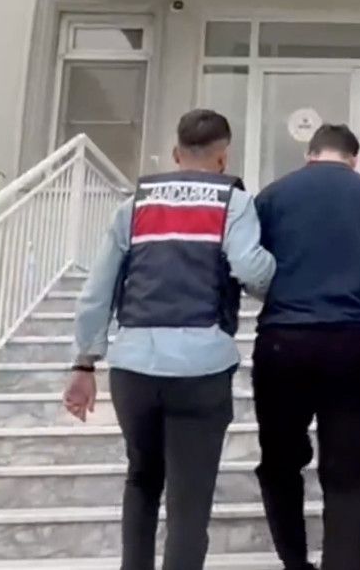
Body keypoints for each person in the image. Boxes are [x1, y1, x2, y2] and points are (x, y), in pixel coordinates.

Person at [63, 109, 275, 570]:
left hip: (133, 368)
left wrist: (84, 363)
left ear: (177, 154)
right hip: (202, 368)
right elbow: (250, 269)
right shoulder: (234, 202)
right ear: (224, 157)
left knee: (141, 479)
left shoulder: (133, 206)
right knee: (189, 500)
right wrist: (274, 276)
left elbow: (97, 291)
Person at [252, 124, 360, 570]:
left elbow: (251, 265)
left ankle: (295, 562)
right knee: (352, 471)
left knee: (279, 462)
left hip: (283, 341)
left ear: (310, 153)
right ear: (356, 160)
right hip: (356, 341)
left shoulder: (272, 197)